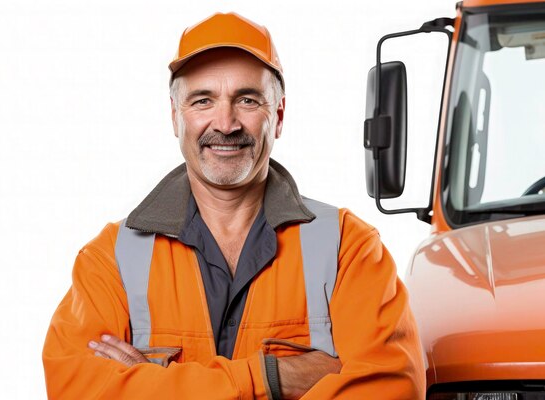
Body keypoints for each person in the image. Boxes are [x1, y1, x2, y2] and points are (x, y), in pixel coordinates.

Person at [42, 12, 425, 400]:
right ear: (176, 116)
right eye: (203, 100)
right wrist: (269, 380)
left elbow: (393, 387)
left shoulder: (348, 248)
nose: (225, 123)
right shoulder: (112, 260)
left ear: (277, 116)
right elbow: (75, 386)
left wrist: (155, 385)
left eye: (247, 100)